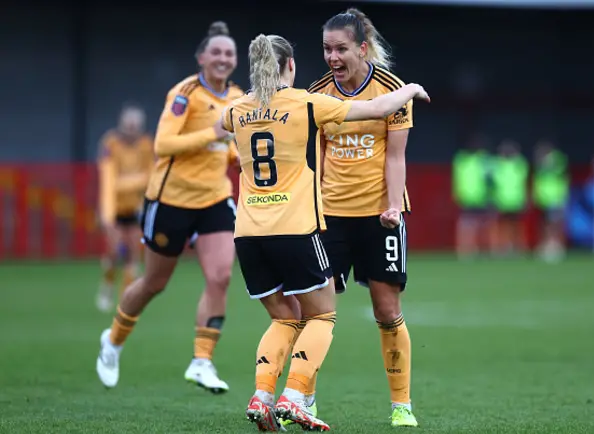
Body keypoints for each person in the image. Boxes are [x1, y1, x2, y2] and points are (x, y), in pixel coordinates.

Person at [225, 34, 429, 432]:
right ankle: (296, 397)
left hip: (249, 233)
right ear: (291, 67)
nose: (332, 57)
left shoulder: (236, 110)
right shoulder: (307, 101)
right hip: (299, 227)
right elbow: (376, 106)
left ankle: (263, 395)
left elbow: (223, 123)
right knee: (322, 317)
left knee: (285, 319)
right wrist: (412, 88)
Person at [96, 21, 243, 394]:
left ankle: (202, 361)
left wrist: (236, 153)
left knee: (221, 276)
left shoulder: (239, 97)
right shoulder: (184, 93)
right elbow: (163, 144)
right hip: (171, 200)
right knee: (153, 283)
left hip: (215, 199)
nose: (223, 59)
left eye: (229, 53)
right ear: (202, 58)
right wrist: (214, 133)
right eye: (217, 52)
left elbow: (225, 146)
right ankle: (112, 342)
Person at [304, 8, 421, 427]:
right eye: (326, 49)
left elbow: (395, 154)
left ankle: (401, 405)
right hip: (329, 217)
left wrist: (392, 206)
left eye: (341, 48)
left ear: (362, 47)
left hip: (378, 216)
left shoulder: (392, 90)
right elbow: (314, 157)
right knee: (315, 313)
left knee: (387, 311)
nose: (333, 57)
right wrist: (311, 209)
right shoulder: (317, 92)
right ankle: (305, 401)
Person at [96, 103, 154, 313]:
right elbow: (108, 180)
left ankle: (125, 298)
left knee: (133, 254)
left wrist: (129, 182)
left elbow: (151, 175)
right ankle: (108, 285)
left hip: (136, 207)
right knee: (113, 252)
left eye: (135, 126)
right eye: (129, 125)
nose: (132, 130)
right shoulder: (110, 143)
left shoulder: (147, 144)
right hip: (115, 208)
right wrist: (106, 214)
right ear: (122, 124)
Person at [533, 140, 569, 262]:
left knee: (554, 223)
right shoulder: (540, 165)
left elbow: (561, 175)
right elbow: (538, 180)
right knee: (545, 223)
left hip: (555, 197)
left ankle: (556, 246)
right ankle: (547, 245)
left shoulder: (557, 160)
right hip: (544, 199)